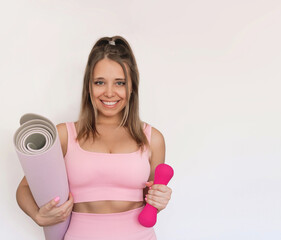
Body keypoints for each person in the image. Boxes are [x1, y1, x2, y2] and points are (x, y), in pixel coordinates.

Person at [16, 36, 173, 239]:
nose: (109, 92)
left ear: (132, 86)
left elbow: (151, 203)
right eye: (100, 82)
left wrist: (159, 201)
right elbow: (23, 188)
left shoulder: (152, 139)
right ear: (88, 86)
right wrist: (38, 216)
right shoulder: (64, 135)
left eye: (120, 83)